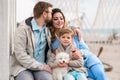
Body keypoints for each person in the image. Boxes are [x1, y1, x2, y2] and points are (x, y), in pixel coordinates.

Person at [48, 8, 108, 80]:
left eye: (61, 18)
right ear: (51, 21)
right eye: (55, 19)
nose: (59, 21)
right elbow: (52, 57)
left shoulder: (73, 32)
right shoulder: (51, 39)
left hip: (87, 59)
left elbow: (86, 49)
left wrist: (80, 52)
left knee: (100, 74)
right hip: (73, 66)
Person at [10, 1, 53, 80]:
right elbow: (20, 55)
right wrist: (41, 66)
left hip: (42, 66)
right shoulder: (23, 29)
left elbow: (63, 26)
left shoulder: (47, 28)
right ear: (44, 14)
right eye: (51, 12)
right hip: (23, 67)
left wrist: (75, 29)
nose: (52, 15)